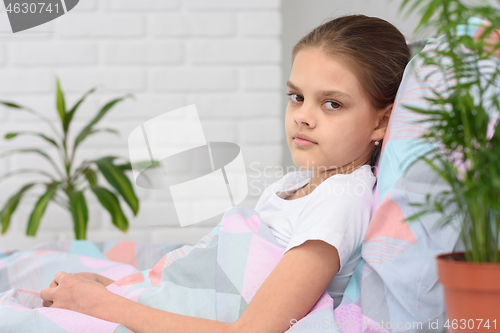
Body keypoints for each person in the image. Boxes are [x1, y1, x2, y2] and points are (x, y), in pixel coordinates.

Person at [39, 14, 410, 333]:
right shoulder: (295, 185)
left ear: (382, 120)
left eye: (332, 104)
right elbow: (201, 282)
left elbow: (250, 328)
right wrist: (114, 287)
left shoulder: (340, 202)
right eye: (297, 97)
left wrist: (100, 304)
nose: (303, 116)